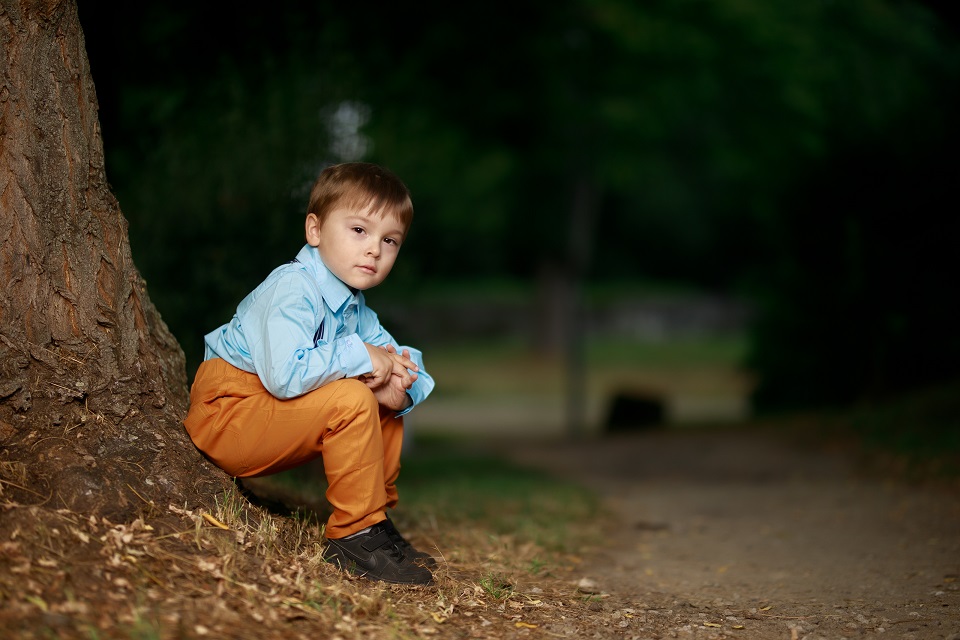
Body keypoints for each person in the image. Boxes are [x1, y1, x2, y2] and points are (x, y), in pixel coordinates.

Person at [182, 162, 436, 586]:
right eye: (359, 231)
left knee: (381, 400)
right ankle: (352, 537)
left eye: (389, 240)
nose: (374, 249)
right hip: (228, 414)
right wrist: (362, 357)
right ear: (315, 231)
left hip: (269, 413)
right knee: (355, 396)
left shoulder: (356, 310)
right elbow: (284, 375)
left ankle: (373, 521)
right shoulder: (292, 289)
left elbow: (410, 362)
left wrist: (402, 391)